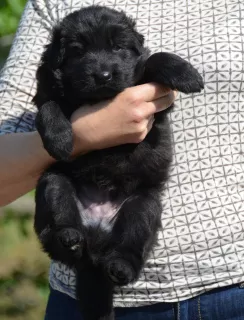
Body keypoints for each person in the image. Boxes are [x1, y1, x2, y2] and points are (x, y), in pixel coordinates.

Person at [1, 0, 244, 319]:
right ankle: (72, 237)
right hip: (76, 218)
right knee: (56, 183)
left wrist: (162, 65)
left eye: (117, 48)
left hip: (231, 286)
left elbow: (148, 71)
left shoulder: (144, 66)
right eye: (80, 52)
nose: (102, 68)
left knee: (143, 203)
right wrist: (81, 135)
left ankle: (126, 257)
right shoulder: (54, 8)